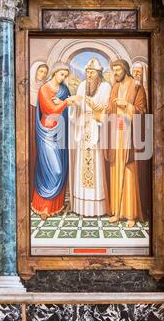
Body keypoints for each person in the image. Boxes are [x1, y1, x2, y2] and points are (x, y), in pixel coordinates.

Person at [31, 62, 79, 220]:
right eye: (61, 74)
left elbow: (70, 109)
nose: (63, 78)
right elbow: (50, 110)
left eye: (65, 75)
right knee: (51, 169)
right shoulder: (44, 89)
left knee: (61, 168)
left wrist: (67, 103)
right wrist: (66, 103)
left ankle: (55, 206)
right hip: (47, 133)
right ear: (55, 72)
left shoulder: (64, 90)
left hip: (61, 133)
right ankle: (43, 206)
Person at [104, 59, 147, 228]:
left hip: (129, 136)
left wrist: (127, 106)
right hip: (116, 133)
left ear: (125, 70)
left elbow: (142, 110)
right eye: (113, 70)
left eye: (117, 70)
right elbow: (110, 109)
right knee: (115, 172)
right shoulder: (115, 87)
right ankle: (117, 212)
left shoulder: (137, 86)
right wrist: (102, 109)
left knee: (128, 173)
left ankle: (131, 214)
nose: (115, 73)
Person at [69, 57, 111, 216]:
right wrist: (74, 106)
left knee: (96, 164)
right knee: (83, 165)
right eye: (87, 71)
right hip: (83, 126)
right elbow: (76, 107)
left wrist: (99, 109)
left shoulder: (106, 87)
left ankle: (98, 206)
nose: (89, 74)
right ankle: (81, 205)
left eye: (92, 72)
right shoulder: (81, 86)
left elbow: (106, 109)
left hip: (96, 128)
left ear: (99, 73)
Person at [29, 62, 49, 201]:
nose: (42, 75)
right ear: (34, 72)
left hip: (41, 125)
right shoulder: (27, 89)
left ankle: (38, 193)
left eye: (44, 73)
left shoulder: (44, 89)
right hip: (30, 123)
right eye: (40, 71)